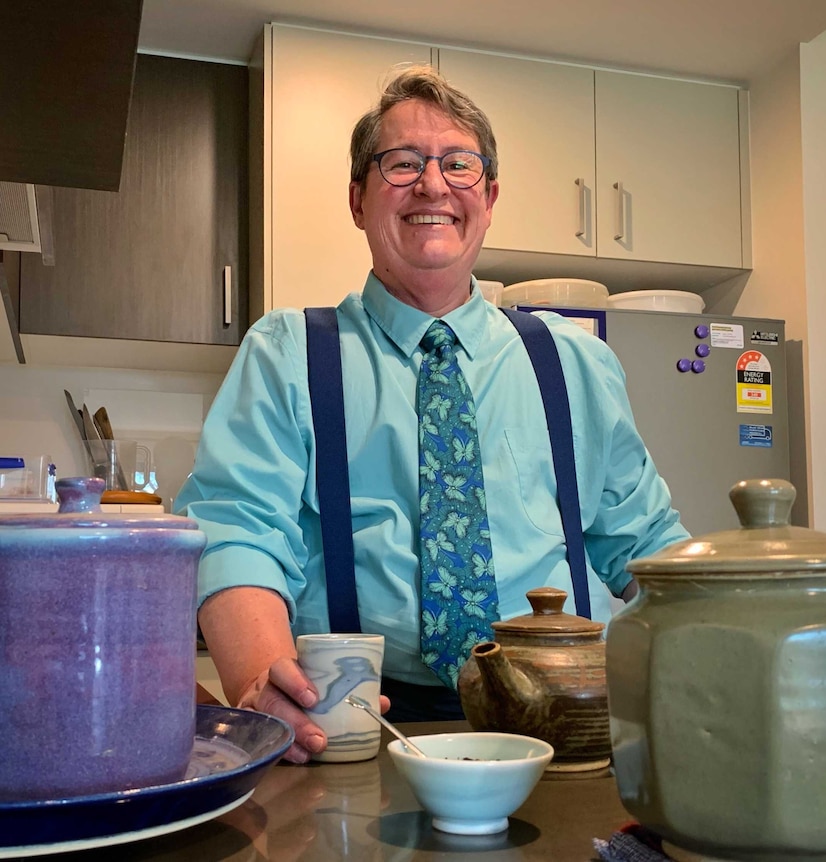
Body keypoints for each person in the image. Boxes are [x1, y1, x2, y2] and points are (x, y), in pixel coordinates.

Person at [175, 64, 689, 764]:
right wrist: (264, 681)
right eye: (402, 163)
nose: (433, 184)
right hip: (357, 724)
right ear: (357, 199)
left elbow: (646, 543)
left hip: (571, 722)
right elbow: (238, 531)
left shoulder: (574, 360)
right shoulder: (288, 351)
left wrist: (715, 657)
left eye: (459, 164)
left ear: (490, 196)